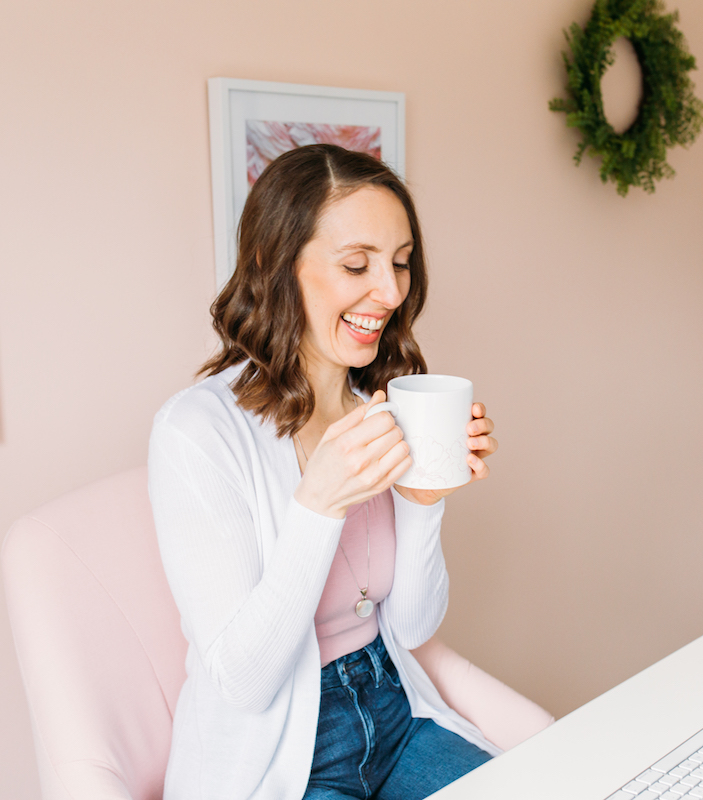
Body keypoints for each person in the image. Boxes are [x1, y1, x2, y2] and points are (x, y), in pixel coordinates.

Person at [148, 144, 500, 800]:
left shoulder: (378, 411)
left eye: (400, 263)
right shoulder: (197, 432)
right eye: (356, 264)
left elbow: (412, 629)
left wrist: (424, 501)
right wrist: (318, 506)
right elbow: (243, 683)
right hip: (283, 751)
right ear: (272, 264)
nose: (392, 292)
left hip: (391, 713)